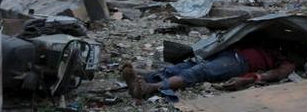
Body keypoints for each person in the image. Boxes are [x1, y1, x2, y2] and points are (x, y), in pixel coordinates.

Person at [121, 46, 295, 99]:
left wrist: (250, 80)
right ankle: (141, 79)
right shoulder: (270, 39)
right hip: (227, 52)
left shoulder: (288, 61)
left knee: (200, 71)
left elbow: (278, 74)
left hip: (238, 62)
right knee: (185, 66)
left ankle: (150, 87)